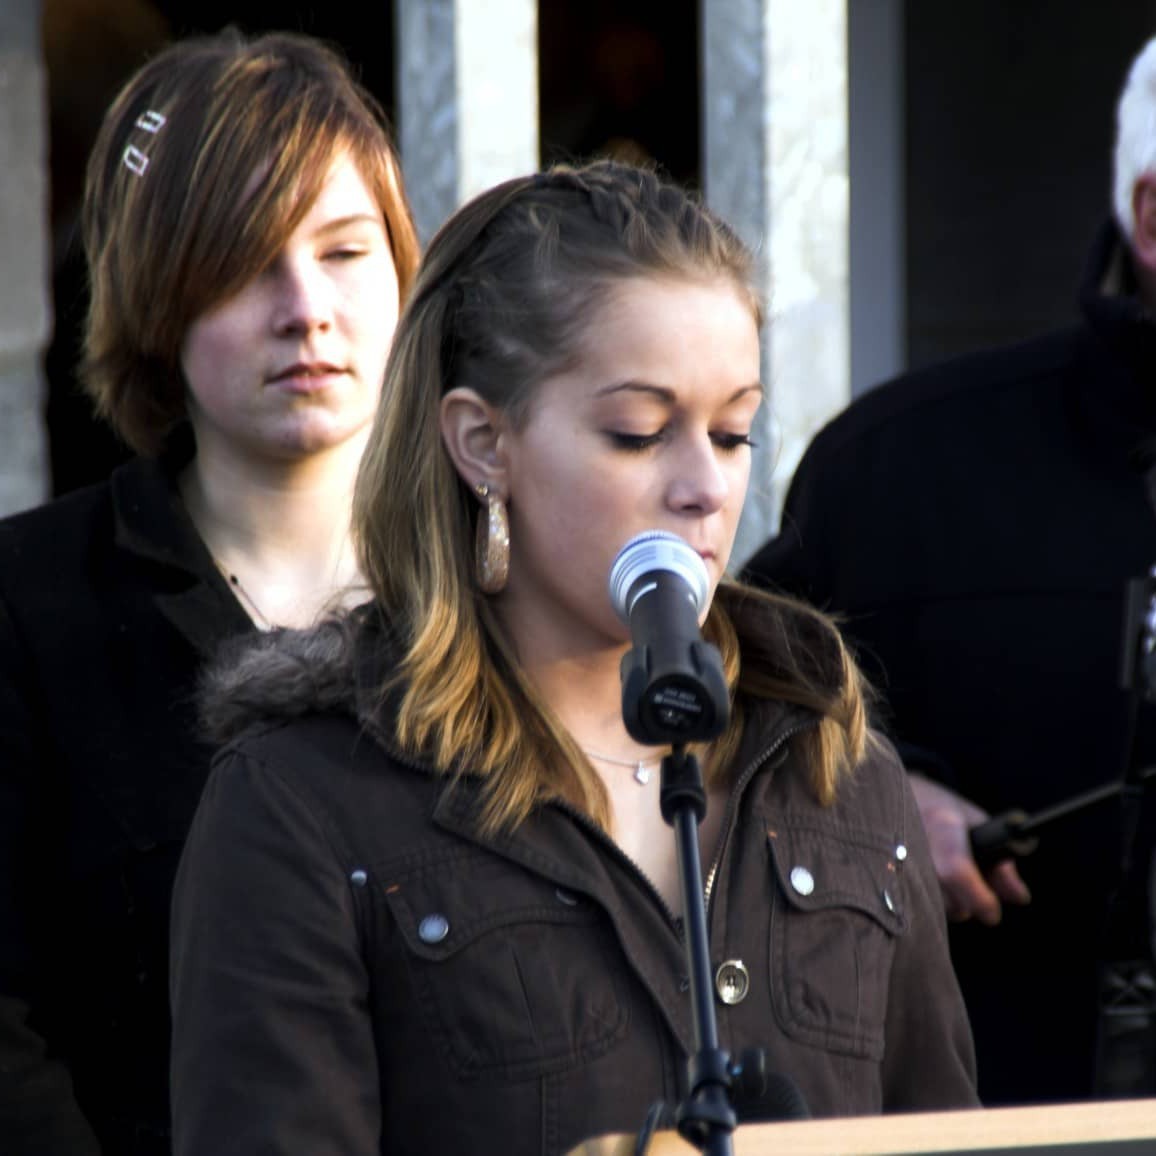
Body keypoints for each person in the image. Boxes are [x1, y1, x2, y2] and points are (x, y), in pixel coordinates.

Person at [168, 158, 978, 1156]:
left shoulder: (836, 767)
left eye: (731, 434)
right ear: (482, 445)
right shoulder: (303, 799)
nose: (701, 487)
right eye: (637, 433)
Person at [0, 28, 419, 1155]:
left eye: (342, 250)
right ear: (155, 298)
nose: (305, 308)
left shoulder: (505, 589)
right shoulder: (27, 606)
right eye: (244, 263)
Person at [744, 37, 1156, 1107]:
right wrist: (876, 798)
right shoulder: (896, 468)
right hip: (978, 1105)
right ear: (1151, 217)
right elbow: (702, 715)